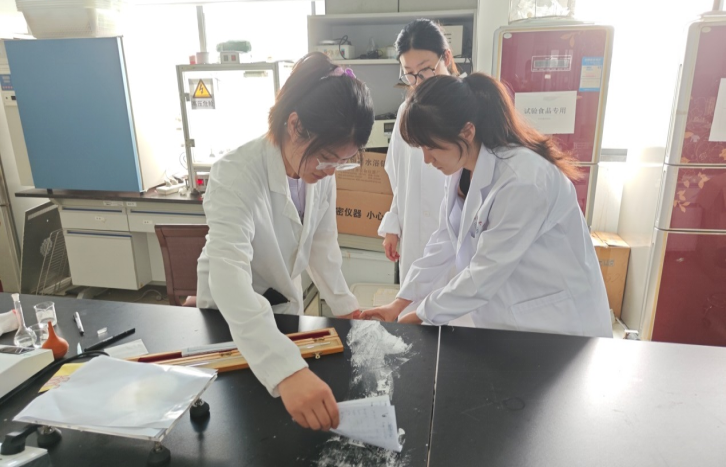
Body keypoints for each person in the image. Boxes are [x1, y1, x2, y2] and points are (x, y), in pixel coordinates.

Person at [196, 52, 374, 431]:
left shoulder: (319, 173)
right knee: (241, 423)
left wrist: (346, 309)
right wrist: (286, 371)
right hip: (234, 315)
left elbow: (323, 246)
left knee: (283, 425)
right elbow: (229, 278)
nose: (330, 170)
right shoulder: (236, 174)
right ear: (295, 125)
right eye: (326, 158)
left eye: (341, 162)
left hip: (279, 308)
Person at [362, 73, 612, 338]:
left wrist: (422, 314)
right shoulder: (461, 170)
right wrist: (399, 303)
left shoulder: (523, 180)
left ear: (467, 132)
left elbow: (484, 273)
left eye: (431, 147)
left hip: (560, 323)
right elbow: (445, 240)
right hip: (517, 318)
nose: (426, 159)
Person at [378, 19, 455, 289]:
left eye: (424, 70)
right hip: (414, 238)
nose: (417, 82)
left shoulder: (466, 109)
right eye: (409, 74)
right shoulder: (406, 112)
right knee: (413, 306)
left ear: (446, 58)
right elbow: (400, 177)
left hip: (455, 241)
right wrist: (394, 224)